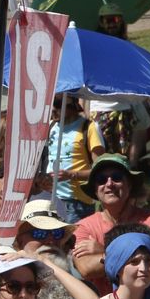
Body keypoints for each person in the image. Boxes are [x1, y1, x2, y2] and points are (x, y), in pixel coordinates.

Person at [72, 154, 150, 292]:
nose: (109, 184)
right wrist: (137, 255)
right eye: (101, 180)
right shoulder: (83, 227)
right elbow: (86, 268)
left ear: (130, 184)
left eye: (116, 177)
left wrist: (103, 251)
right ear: (95, 190)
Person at [45, 94, 105, 223]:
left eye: (56, 103)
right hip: (49, 198)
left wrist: (71, 175)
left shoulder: (88, 128)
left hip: (76, 203)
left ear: (71, 104)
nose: (52, 108)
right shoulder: (50, 127)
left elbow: (100, 169)